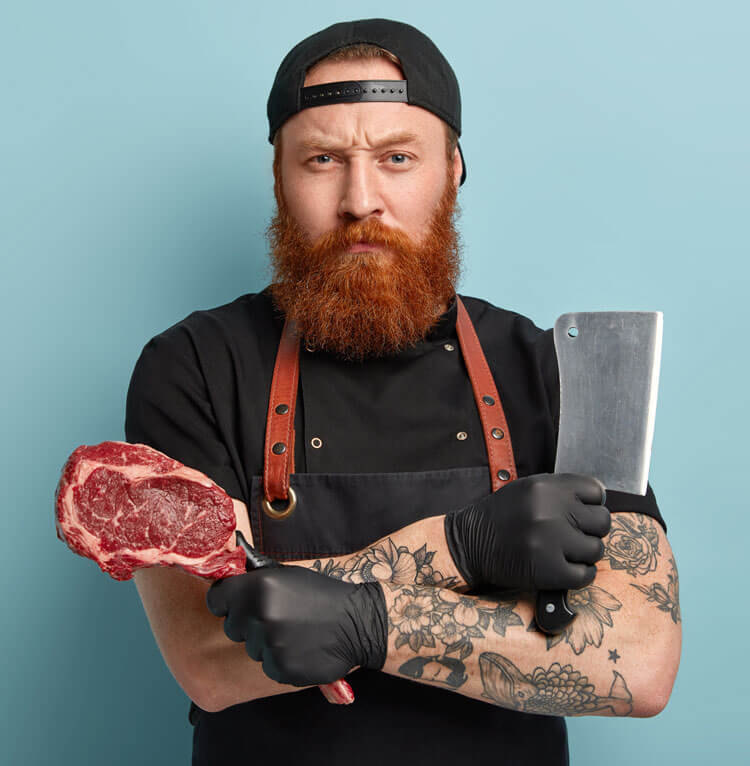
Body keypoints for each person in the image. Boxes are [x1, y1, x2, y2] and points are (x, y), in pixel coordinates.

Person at [125, 18, 681, 765]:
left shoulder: (554, 369)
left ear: (452, 169)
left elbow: (638, 664)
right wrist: (462, 547)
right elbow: (208, 660)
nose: (362, 199)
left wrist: (360, 619)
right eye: (322, 158)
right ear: (280, 178)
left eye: (397, 157)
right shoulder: (192, 366)